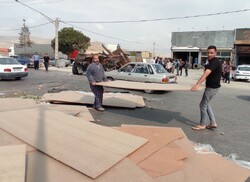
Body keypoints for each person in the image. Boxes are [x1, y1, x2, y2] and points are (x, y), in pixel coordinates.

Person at [191, 45, 222, 131]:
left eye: (211, 53)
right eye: (208, 53)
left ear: (215, 53)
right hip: (212, 87)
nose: (209, 54)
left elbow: (206, 74)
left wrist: (197, 84)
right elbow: (206, 71)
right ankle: (213, 122)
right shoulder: (210, 62)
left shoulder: (215, 61)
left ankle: (202, 124)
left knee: (202, 105)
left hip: (212, 88)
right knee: (206, 104)